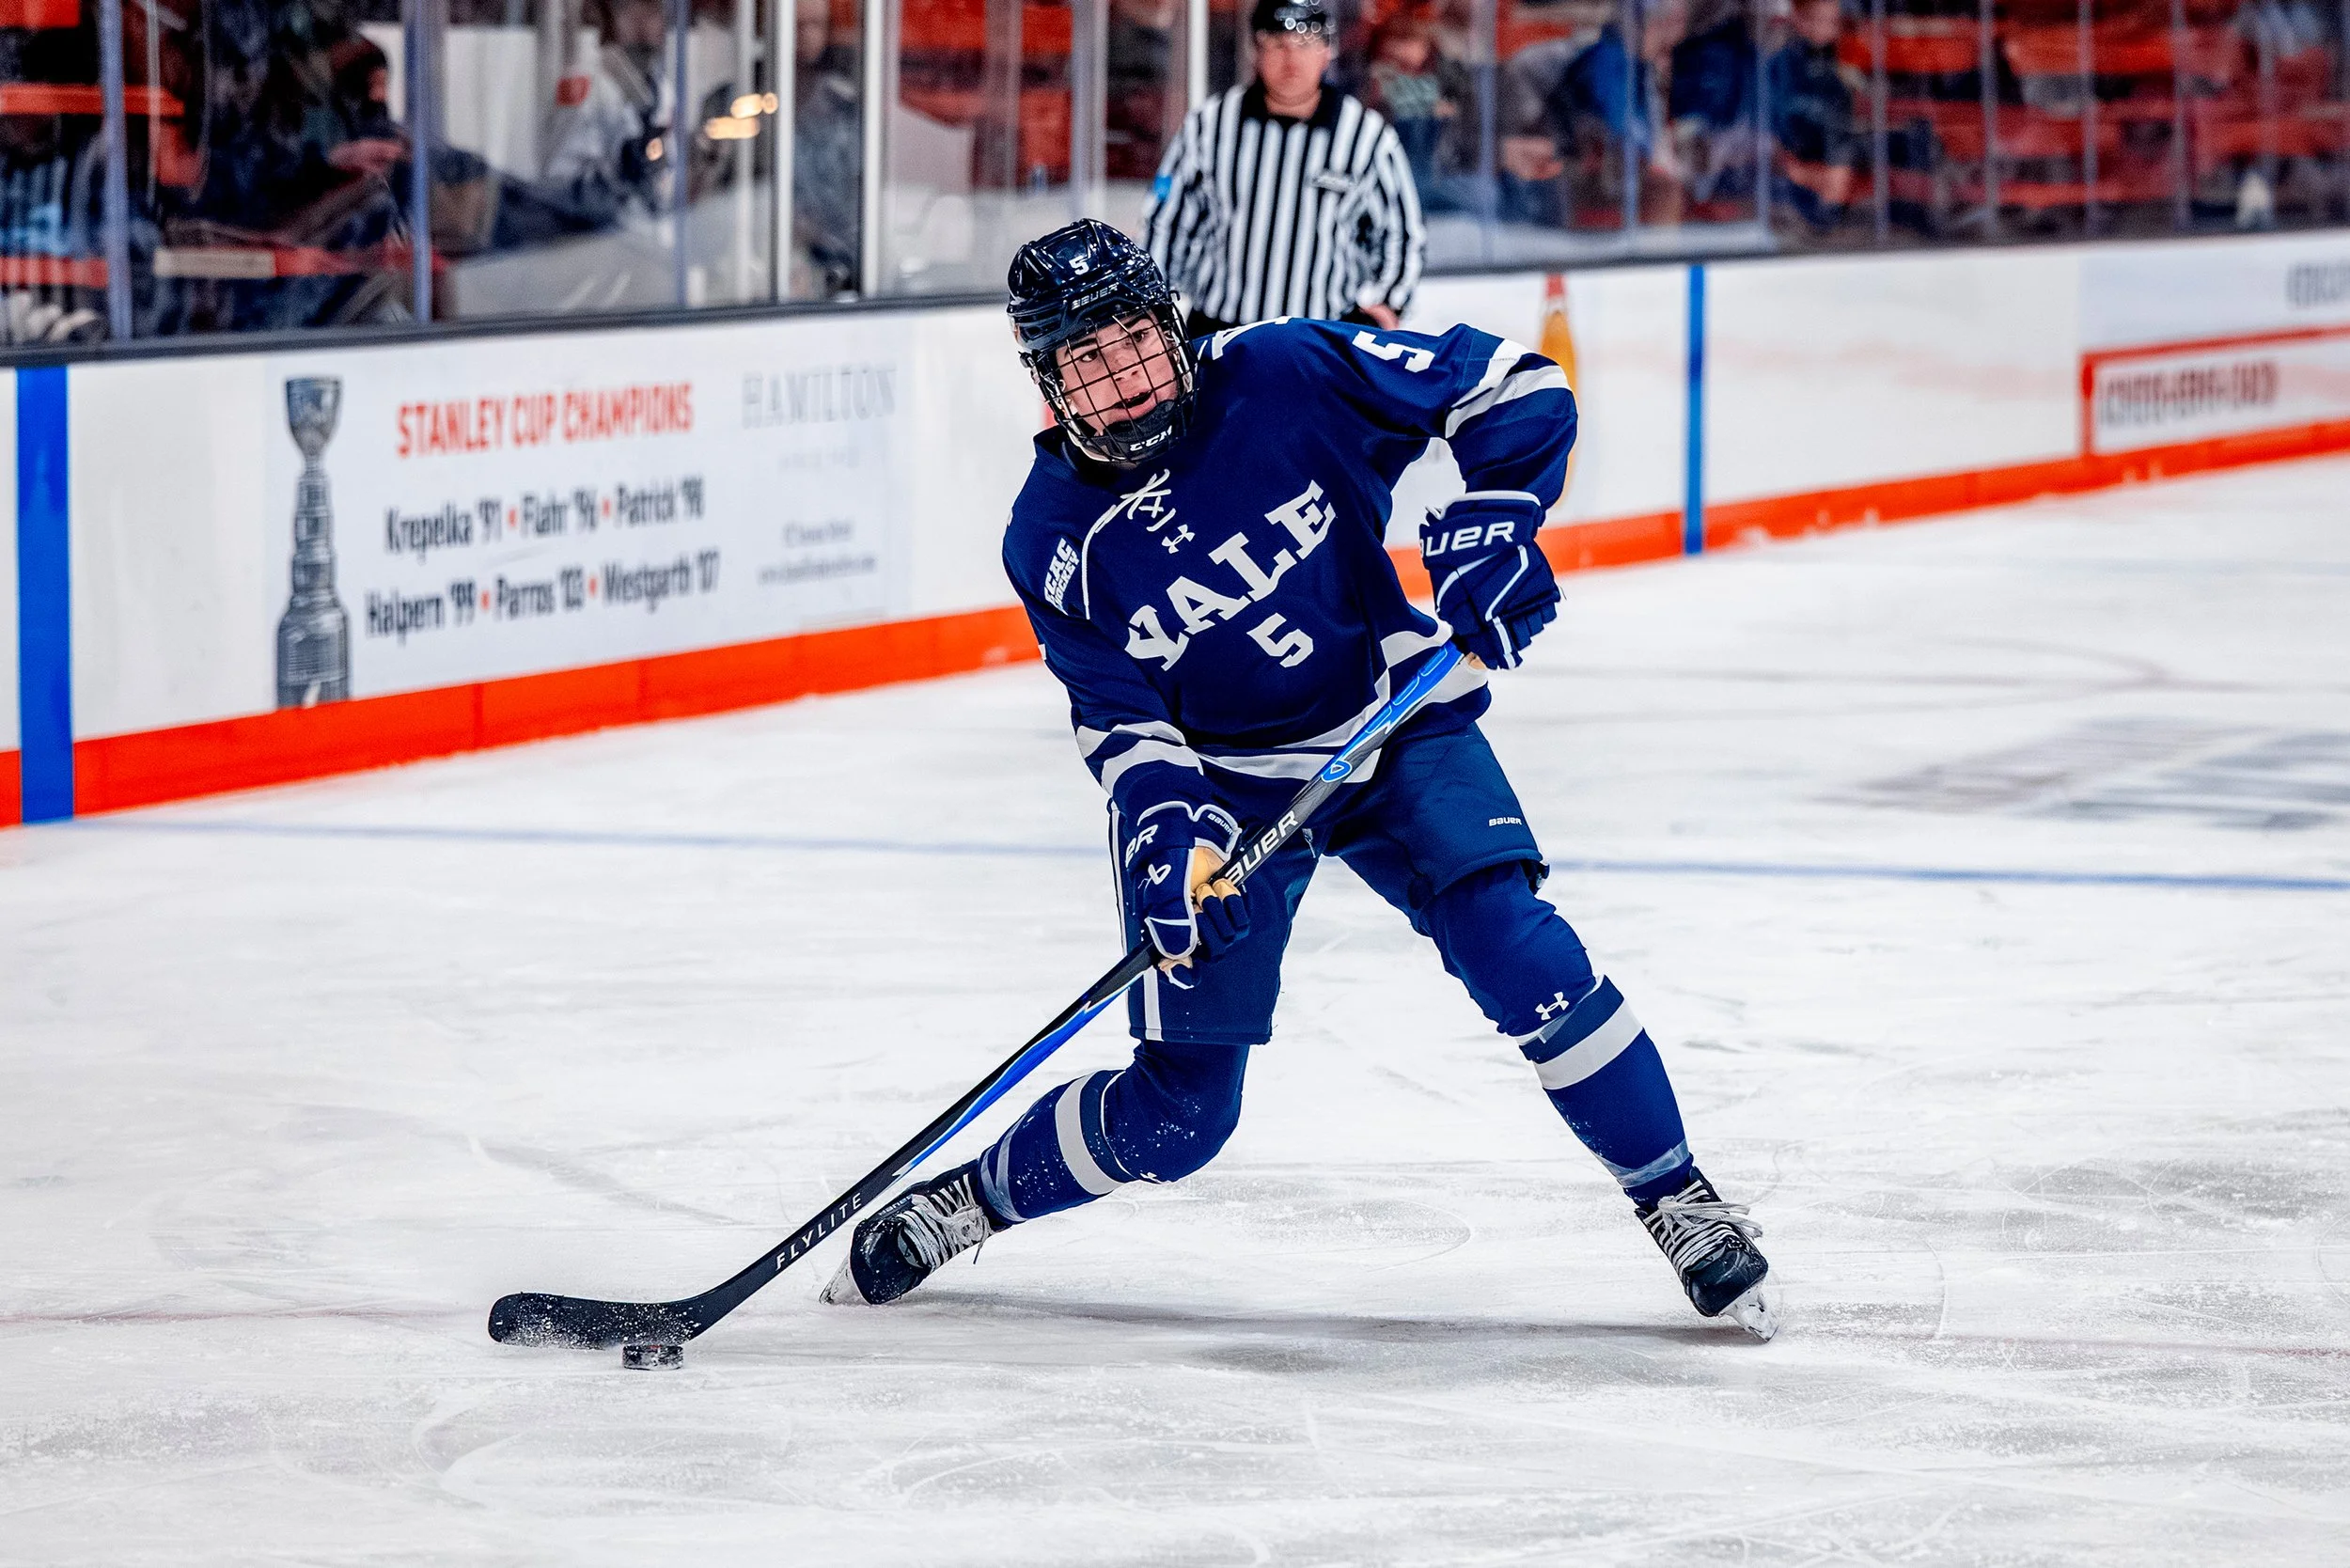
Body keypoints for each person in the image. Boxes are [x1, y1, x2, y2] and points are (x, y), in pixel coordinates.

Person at [822, 218, 1778, 1342]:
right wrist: (1167, 839)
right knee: (1179, 1117)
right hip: (1226, 795)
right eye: (1087, 362)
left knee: (1518, 948)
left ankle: (1679, 1199)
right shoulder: (1052, 539)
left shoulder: (1282, 371)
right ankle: (967, 1199)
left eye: (1132, 343)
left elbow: (1511, 386)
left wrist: (1500, 515)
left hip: (1391, 718)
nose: (1122, 382)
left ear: (1172, 327)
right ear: (1048, 383)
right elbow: (1121, 727)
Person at [1140, 0, 1425, 336]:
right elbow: (1166, 220)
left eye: (1305, 44)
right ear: (1255, 51)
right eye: (1277, 44)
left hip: (1325, 337)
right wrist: (1151, 307)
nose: (1291, 60)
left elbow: (1402, 234)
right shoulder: (1208, 126)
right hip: (1221, 334)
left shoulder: (1367, 137)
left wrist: (1389, 303)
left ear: (1326, 51)